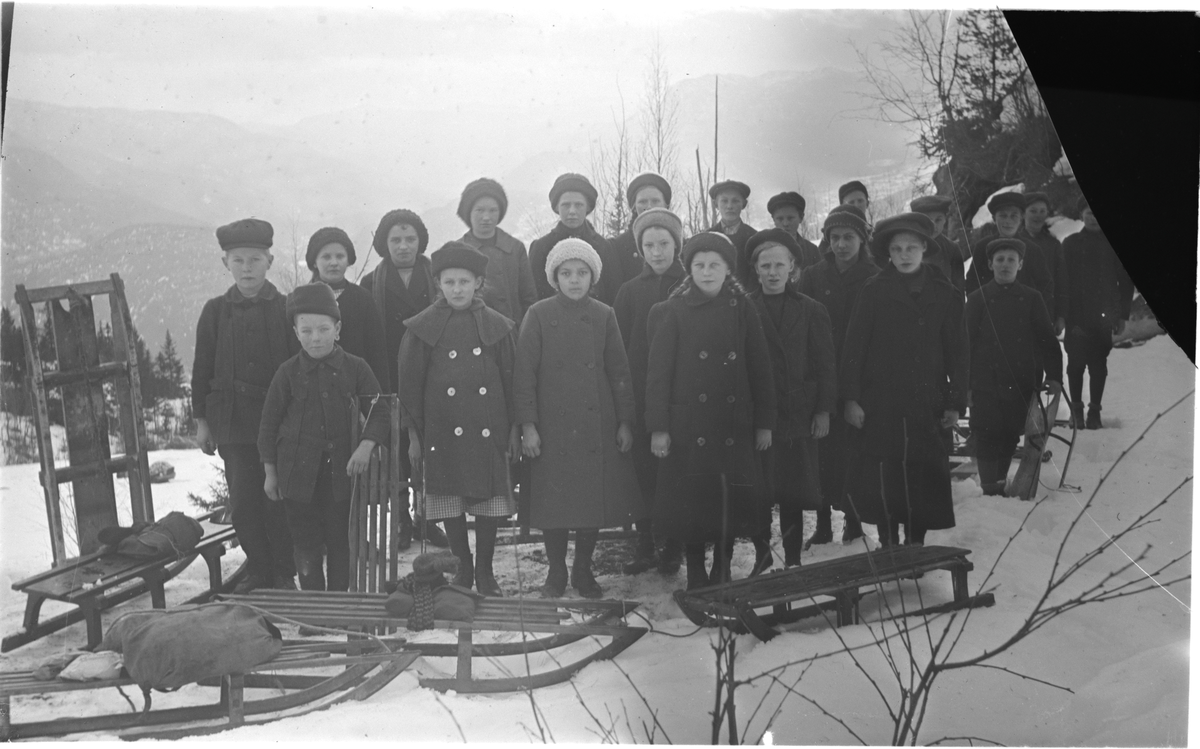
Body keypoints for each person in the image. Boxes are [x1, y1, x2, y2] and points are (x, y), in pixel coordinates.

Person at [644, 232, 775, 590]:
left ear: (727, 269)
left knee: (727, 501)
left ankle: (722, 566)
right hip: (689, 425)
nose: (706, 272)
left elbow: (760, 367)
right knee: (693, 502)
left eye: (714, 265)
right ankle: (696, 571)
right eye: (699, 265)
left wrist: (764, 422)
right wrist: (659, 426)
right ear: (689, 270)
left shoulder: (744, 308)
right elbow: (657, 375)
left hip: (733, 423)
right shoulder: (671, 310)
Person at [516, 238, 641, 598]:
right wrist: (528, 425)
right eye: (566, 273)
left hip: (595, 426)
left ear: (593, 277)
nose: (574, 280)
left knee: (590, 501)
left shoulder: (604, 314)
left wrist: (624, 421)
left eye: (582, 272)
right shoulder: (538, 314)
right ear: (555, 277)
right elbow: (524, 373)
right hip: (551, 428)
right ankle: (556, 572)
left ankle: (583, 570)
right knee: (553, 503)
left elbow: (619, 371)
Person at [397, 243, 519, 596]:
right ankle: (463, 571)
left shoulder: (498, 327)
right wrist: (414, 436)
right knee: (451, 500)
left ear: (479, 282)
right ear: (438, 284)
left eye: (464, 281)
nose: (457, 289)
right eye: (449, 282)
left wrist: (513, 428)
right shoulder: (422, 328)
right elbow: (409, 388)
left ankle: (486, 572)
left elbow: (513, 382)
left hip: (489, 429)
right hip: (441, 430)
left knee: (486, 502)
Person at [840, 212, 967, 548]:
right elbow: (854, 348)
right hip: (881, 401)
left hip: (928, 402)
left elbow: (958, 352)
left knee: (921, 474)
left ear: (925, 248)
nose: (905, 254)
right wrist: (851, 399)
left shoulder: (945, 292)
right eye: (897, 249)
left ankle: (915, 545)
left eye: (912, 247)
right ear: (889, 254)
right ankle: (888, 543)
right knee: (885, 474)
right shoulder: (873, 290)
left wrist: (955, 402)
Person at [259, 283, 389, 591]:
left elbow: (380, 410)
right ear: (296, 332)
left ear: (338, 328)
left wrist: (365, 446)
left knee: (341, 541)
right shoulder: (287, 373)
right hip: (296, 478)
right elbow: (268, 425)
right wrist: (270, 473)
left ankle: (339, 602)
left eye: (323, 329)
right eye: (306, 331)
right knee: (305, 544)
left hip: (341, 478)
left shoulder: (356, 368)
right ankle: (315, 607)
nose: (315, 338)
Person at [192, 218, 297, 593]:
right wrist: (203, 421)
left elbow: (298, 369)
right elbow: (201, 369)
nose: (247, 267)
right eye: (238, 260)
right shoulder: (215, 311)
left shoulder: (286, 309)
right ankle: (259, 570)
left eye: (255, 259)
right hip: (233, 424)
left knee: (277, 500)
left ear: (269, 261)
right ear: (226, 264)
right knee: (245, 503)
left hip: (279, 426)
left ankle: (284, 573)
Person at [746, 229, 837, 569]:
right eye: (765, 265)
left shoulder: (811, 309)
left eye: (779, 265)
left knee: (792, 494)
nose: (772, 272)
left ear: (793, 268)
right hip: (759, 417)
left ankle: (794, 560)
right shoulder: (743, 308)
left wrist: (824, 411)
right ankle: (763, 554)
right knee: (759, 492)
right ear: (756, 270)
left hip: (798, 413)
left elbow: (826, 364)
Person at [360, 208, 449, 549]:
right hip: (389, 377)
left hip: (433, 376)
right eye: (395, 239)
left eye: (410, 239)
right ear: (384, 243)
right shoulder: (372, 284)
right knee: (397, 453)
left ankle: (427, 519)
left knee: (430, 450)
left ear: (420, 241)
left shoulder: (436, 277)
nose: (403, 246)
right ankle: (400, 522)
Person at [612, 208, 687, 577]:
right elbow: (619, 348)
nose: (656, 252)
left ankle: (674, 547)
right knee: (643, 472)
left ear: (677, 244)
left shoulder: (690, 285)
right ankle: (645, 544)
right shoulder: (630, 291)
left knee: (675, 472)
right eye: (648, 245)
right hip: (642, 396)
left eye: (664, 243)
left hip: (682, 396)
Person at [797, 205, 878, 545]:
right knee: (821, 452)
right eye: (835, 238)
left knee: (855, 452)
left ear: (861, 239)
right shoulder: (814, 275)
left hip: (861, 375)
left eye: (849, 237)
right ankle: (822, 522)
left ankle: (854, 519)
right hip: (821, 373)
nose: (841, 245)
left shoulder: (875, 276)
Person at [964, 238, 1063, 495]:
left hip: (1020, 379)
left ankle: (998, 482)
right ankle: (990, 487)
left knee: (1009, 434)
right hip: (984, 381)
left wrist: (1054, 377)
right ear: (989, 264)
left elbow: (1047, 341)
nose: (1005, 265)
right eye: (1000, 260)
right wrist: (965, 386)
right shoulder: (977, 299)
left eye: (1011, 260)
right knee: (986, 433)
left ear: (1020, 265)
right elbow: (964, 345)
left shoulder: (1032, 298)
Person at [1061, 196, 1134, 429]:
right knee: (1075, 364)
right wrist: (1062, 314)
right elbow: (1062, 281)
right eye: (1089, 212)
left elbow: (1125, 282)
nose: (1093, 218)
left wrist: (1122, 315)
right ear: (1081, 214)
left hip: (1103, 317)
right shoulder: (1070, 243)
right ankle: (1076, 412)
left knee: (1098, 364)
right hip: (1076, 316)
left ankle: (1094, 412)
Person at [306, 226, 390, 390]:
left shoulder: (363, 299)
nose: (334, 263)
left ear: (348, 260)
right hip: (313, 390)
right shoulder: (302, 300)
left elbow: (377, 352)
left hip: (356, 388)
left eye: (340, 256)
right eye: (326, 257)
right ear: (314, 262)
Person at [529, 173, 624, 305]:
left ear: (588, 208)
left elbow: (614, 295)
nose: (572, 211)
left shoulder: (604, 247)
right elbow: (532, 296)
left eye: (578, 205)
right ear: (557, 207)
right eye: (566, 205)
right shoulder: (541, 248)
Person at [456, 178, 538, 328]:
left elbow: (529, 297)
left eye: (493, 210)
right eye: (479, 210)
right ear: (469, 212)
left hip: (512, 330)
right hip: (471, 332)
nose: (486, 217)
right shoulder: (458, 250)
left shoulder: (515, 248)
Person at [965, 193, 1054, 309]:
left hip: (1023, 316)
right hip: (990, 314)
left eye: (1014, 216)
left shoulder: (1032, 249)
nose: (1008, 221)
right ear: (993, 218)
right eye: (1003, 216)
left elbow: (1045, 285)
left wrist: (1036, 312)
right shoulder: (983, 246)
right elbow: (973, 281)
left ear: (1021, 218)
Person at [610, 172, 673, 287]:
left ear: (666, 205)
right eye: (642, 202)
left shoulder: (680, 244)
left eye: (655, 201)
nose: (649, 207)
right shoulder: (617, 247)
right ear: (634, 207)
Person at [1019, 192, 1070, 336]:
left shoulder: (1053, 245)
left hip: (1045, 312)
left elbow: (1062, 282)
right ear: (1023, 214)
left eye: (1042, 211)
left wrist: (1061, 316)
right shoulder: (1011, 241)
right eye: (1033, 211)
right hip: (1015, 311)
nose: (1038, 215)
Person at [909, 195, 967, 296]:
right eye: (928, 220)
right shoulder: (905, 248)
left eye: (938, 220)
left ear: (945, 219)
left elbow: (959, 290)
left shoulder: (952, 249)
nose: (933, 226)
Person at [707, 179, 757, 287]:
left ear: (744, 204)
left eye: (735, 201)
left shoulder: (754, 238)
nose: (729, 206)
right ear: (716, 204)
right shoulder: (707, 237)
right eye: (724, 201)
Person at [816, 180, 873, 255]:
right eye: (851, 203)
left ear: (867, 203)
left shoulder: (875, 236)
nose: (857, 205)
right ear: (842, 206)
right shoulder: (832, 236)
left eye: (860, 201)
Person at [767, 192, 822, 270]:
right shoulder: (763, 249)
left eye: (790, 218)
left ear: (801, 218)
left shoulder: (811, 250)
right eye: (780, 219)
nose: (785, 224)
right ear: (773, 220)